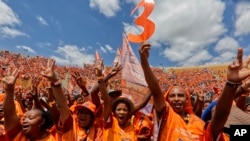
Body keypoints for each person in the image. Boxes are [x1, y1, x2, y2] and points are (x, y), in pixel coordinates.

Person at [139, 42, 204, 141]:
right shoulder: (167, 116)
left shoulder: (199, 123)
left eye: (180, 95)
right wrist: (144, 62)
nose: (176, 98)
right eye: (172, 96)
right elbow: (156, 91)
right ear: (167, 100)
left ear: (187, 100)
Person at [40, 59, 103, 141]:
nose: (82, 115)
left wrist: (101, 77)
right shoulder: (70, 125)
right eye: (80, 112)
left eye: (86, 113)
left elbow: (95, 95)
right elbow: (63, 105)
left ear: (92, 118)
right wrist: (54, 81)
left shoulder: (98, 131)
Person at [2, 68, 55, 141]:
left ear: (42, 122)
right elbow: (9, 114)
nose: (24, 121)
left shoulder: (52, 138)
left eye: (30, 118)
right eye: (24, 118)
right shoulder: (18, 133)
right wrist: (10, 90)